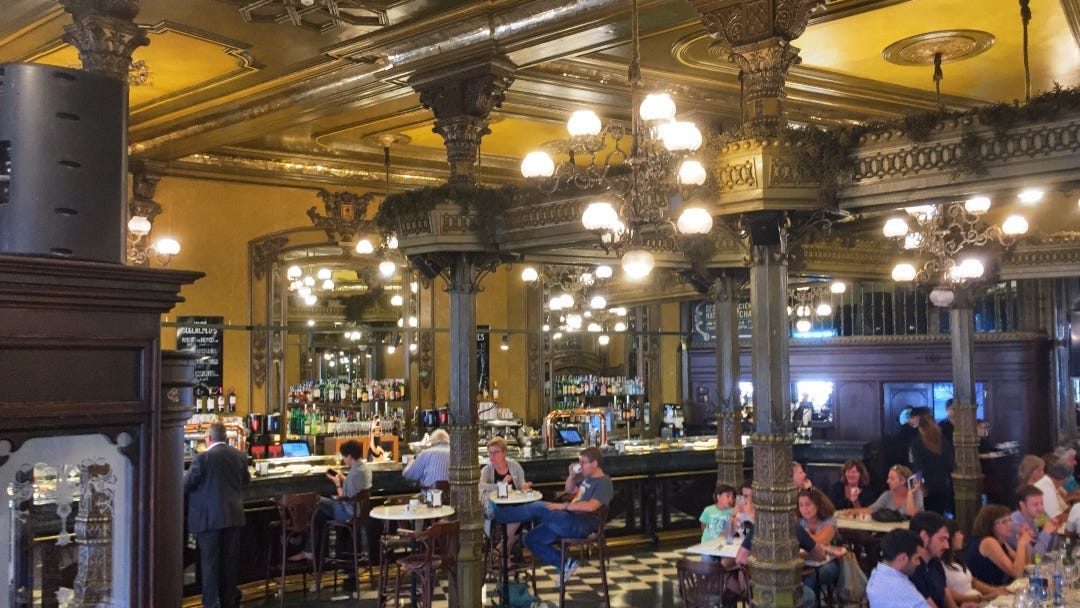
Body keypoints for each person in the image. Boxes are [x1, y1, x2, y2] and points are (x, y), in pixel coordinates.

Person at [493, 446, 613, 586]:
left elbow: (591, 506)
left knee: (538, 506)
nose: (580, 466)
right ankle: (566, 563)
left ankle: (498, 515)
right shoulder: (587, 478)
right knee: (530, 539)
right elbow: (569, 489)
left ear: (594, 464)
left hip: (582, 524)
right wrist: (572, 476)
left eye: (583, 462)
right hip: (570, 518)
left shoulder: (604, 482)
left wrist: (564, 506)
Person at [184, 422, 250, 608]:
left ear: (208, 439)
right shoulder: (239, 456)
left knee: (210, 567)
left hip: (209, 520)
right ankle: (229, 603)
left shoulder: (203, 458)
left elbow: (186, 485)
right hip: (234, 518)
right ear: (226, 438)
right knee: (229, 566)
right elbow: (245, 481)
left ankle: (211, 605)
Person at [308, 439, 372, 579]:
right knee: (320, 514)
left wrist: (337, 484)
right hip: (360, 512)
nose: (343, 459)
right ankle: (317, 554)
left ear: (349, 456)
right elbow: (355, 488)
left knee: (316, 500)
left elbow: (344, 499)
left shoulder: (354, 474)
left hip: (348, 513)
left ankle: (315, 555)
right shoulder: (363, 468)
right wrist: (344, 479)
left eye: (344, 456)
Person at [909, 511, 976, 608]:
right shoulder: (913, 569)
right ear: (924, 537)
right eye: (942, 539)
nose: (947, 546)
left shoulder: (935, 562)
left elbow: (946, 597)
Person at [479, 436, 531, 556]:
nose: (492, 456)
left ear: (504, 453)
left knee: (523, 513)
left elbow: (522, 484)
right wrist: (501, 485)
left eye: (496, 452)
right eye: (490, 453)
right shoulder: (487, 469)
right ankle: (505, 557)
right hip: (494, 507)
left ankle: (501, 550)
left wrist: (525, 487)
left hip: (514, 504)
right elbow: (481, 486)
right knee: (519, 517)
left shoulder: (515, 466)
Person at [941, 518, 1007, 605]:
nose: (962, 536)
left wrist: (995, 590)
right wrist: (985, 597)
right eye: (958, 533)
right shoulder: (939, 564)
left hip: (978, 601)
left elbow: (973, 582)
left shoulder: (955, 559)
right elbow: (950, 595)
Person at [866, 528, 931, 608]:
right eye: (917, 558)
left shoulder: (876, 574)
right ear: (903, 558)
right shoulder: (902, 590)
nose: (919, 563)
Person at [968, 504, 1030, 586]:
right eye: (1004, 522)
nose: (1009, 524)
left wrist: (1025, 544)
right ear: (990, 526)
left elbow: (1026, 566)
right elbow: (1017, 573)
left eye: (1009, 520)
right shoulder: (988, 542)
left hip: (999, 589)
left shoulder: (1001, 541)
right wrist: (1021, 544)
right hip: (986, 594)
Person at [908, 410, 954, 515]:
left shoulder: (917, 443)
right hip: (942, 484)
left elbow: (917, 466)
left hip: (926, 485)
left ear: (920, 428)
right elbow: (950, 463)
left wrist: (918, 484)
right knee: (939, 513)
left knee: (926, 516)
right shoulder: (943, 441)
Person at [1008, 484, 1062, 558]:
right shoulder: (1015, 525)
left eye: (1041, 503)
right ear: (1022, 505)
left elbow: (1047, 551)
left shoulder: (1031, 519)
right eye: (1035, 504)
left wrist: (1052, 533)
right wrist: (1045, 532)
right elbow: (1034, 558)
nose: (1041, 508)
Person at [853, 464, 923, 519]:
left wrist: (910, 493)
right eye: (888, 478)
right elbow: (871, 510)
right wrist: (851, 511)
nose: (887, 481)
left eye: (892, 479)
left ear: (902, 481)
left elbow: (911, 515)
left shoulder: (916, 494)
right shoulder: (887, 495)